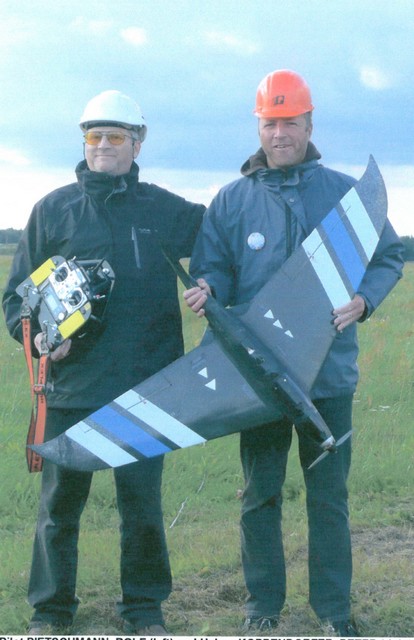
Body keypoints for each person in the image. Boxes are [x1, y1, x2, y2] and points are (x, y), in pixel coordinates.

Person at [184, 70, 404, 636]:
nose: (279, 134)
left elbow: (387, 257)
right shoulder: (231, 201)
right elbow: (215, 270)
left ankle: (333, 611)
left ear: (309, 124)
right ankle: (262, 607)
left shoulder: (345, 196)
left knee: (328, 498)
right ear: (258, 127)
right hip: (260, 382)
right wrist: (208, 290)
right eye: (270, 123)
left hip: (328, 377)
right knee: (260, 495)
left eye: (289, 122)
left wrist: (364, 299)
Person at [2, 89, 205, 635]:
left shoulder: (163, 209)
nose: (104, 146)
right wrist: (39, 341)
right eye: (94, 136)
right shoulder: (53, 211)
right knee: (59, 509)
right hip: (71, 388)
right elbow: (16, 300)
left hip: (147, 385)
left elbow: (221, 239)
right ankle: (50, 612)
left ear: (138, 142)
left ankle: (143, 609)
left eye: (116, 136)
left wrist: (211, 280)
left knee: (141, 509)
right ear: (83, 142)